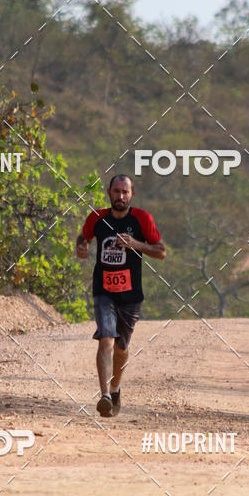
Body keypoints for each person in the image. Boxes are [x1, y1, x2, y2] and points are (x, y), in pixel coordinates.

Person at [76, 174, 166, 417]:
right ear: (109, 192)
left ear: (132, 195)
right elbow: (83, 237)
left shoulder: (142, 219)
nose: (120, 196)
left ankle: (115, 388)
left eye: (125, 192)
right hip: (104, 292)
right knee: (105, 338)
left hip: (131, 295)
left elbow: (161, 251)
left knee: (121, 348)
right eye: (116, 191)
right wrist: (81, 247)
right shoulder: (97, 218)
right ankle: (104, 395)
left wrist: (136, 244)